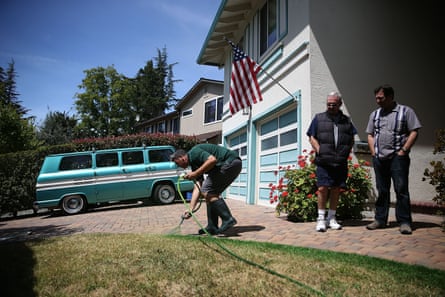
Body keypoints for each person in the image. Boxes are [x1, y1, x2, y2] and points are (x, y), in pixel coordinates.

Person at [366, 84, 421, 235]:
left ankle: (404, 222)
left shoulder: (406, 111)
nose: (378, 101)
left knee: (401, 189)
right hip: (379, 158)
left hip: (398, 157)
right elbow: (370, 134)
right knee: (382, 190)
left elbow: (414, 131)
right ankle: (380, 220)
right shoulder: (375, 114)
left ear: (390, 97)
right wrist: (373, 152)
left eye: (381, 98)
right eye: (376, 98)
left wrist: (404, 150)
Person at [306, 91, 357, 232]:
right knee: (322, 188)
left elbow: (351, 138)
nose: (330, 106)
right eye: (328, 104)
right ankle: (321, 219)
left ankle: (331, 218)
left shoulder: (346, 120)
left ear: (340, 104)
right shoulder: (319, 118)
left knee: (336, 189)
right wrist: (319, 150)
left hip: (340, 161)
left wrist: (346, 151)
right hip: (324, 161)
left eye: (334, 104)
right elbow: (311, 136)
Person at [171, 143, 241, 235]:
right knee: (208, 192)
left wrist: (195, 173)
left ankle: (228, 219)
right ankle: (212, 227)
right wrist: (191, 209)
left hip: (230, 162)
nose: (178, 166)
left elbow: (212, 160)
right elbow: (198, 187)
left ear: (182, 158)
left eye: (177, 163)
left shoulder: (194, 153)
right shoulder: (194, 164)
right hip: (227, 165)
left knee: (207, 191)